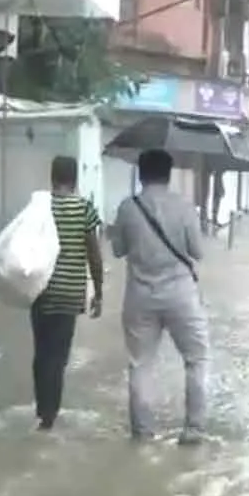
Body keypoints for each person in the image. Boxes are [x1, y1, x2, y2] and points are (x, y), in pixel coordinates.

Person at [110, 150, 209, 444]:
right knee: (197, 359)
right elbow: (198, 252)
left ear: (141, 174)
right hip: (181, 295)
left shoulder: (128, 208)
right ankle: (194, 429)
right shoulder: (184, 207)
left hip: (140, 296)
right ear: (169, 174)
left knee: (140, 364)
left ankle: (142, 434)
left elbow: (117, 250)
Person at [30, 155, 104, 431]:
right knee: (58, 357)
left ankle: (42, 409)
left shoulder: (40, 207)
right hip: (69, 293)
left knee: (41, 352)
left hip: (40, 290)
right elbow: (94, 254)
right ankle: (50, 415)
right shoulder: (84, 208)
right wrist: (98, 292)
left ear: (52, 177)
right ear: (75, 179)